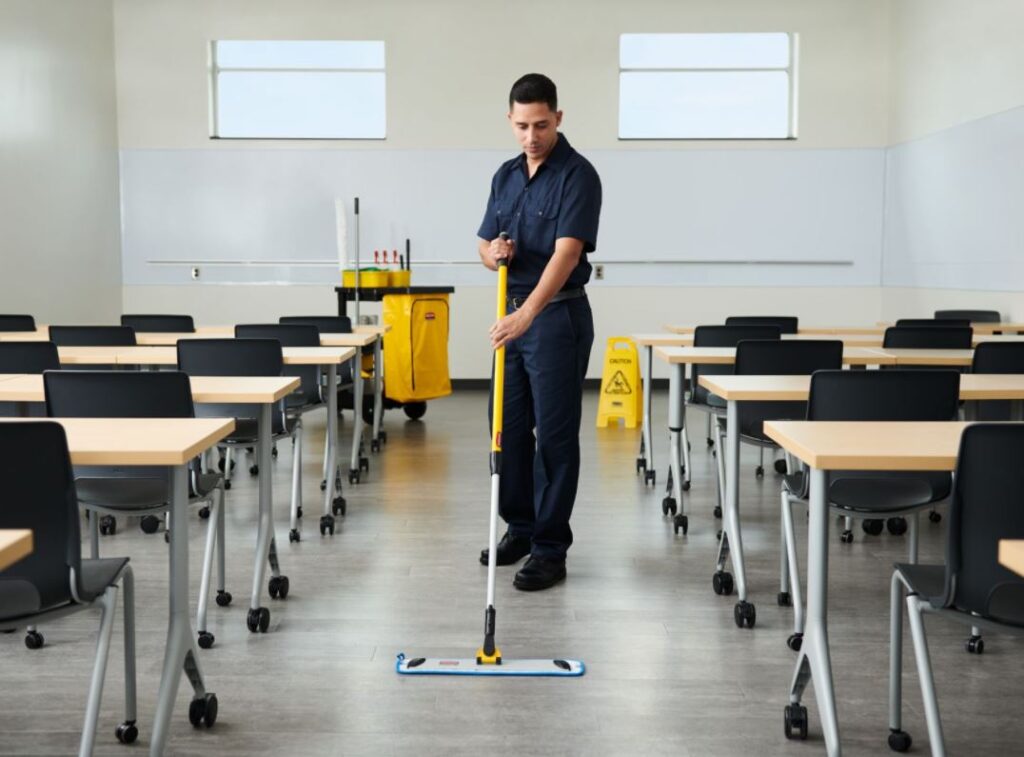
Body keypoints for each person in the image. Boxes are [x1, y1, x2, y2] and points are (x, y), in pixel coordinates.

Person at [476, 73, 602, 591]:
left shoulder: (578, 175)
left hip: (555, 319)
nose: (532, 136)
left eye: (542, 125)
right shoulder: (505, 176)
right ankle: (521, 528)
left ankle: (550, 547)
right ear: (510, 121)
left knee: (553, 437)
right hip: (514, 318)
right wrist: (493, 254)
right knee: (504, 429)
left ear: (559, 118)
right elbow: (483, 244)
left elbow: (567, 254)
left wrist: (525, 316)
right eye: (523, 126)